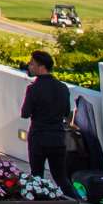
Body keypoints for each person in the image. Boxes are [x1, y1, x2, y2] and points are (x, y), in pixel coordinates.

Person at [20, 50, 74, 195]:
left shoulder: (33, 89)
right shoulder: (63, 88)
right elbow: (66, 112)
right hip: (58, 138)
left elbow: (25, 114)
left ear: (41, 67)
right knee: (61, 177)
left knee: (37, 176)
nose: (29, 66)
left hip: (39, 137)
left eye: (32, 64)